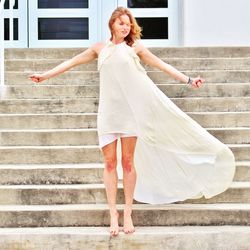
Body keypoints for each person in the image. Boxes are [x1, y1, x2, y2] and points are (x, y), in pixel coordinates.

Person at [29, 7, 235, 237]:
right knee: (109, 164)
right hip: (108, 113)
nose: (125, 27)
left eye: (128, 24)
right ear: (112, 25)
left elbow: (161, 65)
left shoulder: (134, 48)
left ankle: (127, 212)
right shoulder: (100, 49)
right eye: (121, 23)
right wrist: (45, 75)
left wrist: (188, 79)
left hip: (129, 114)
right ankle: (113, 214)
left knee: (127, 163)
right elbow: (71, 62)